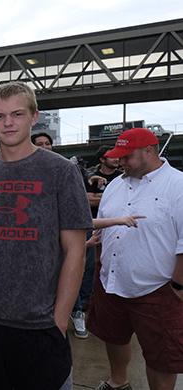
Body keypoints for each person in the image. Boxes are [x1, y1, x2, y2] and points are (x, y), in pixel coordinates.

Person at [0, 82, 93, 389]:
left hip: (39, 326)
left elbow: (75, 250)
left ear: (34, 116)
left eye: (17, 114)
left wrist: (58, 322)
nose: (8, 123)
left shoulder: (61, 171)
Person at [87, 128, 183, 390]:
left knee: (162, 354)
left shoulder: (178, 185)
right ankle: (118, 382)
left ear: (149, 151)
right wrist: (99, 264)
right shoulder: (116, 185)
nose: (121, 162)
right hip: (112, 281)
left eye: (126, 156)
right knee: (113, 336)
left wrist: (178, 285)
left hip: (158, 287)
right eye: (118, 157)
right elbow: (103, 229)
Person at [71, 145, 124, 339]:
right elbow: (83, 200)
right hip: (89, 227)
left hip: (117, 229)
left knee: (95, 268)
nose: (117, 159)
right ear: (102, 159)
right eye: (111, 156)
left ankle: (87, 303)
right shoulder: (89, 174)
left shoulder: (122, 176)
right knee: (82, 265)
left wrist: (98, 197)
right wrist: (107, 198)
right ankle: (78, 309)